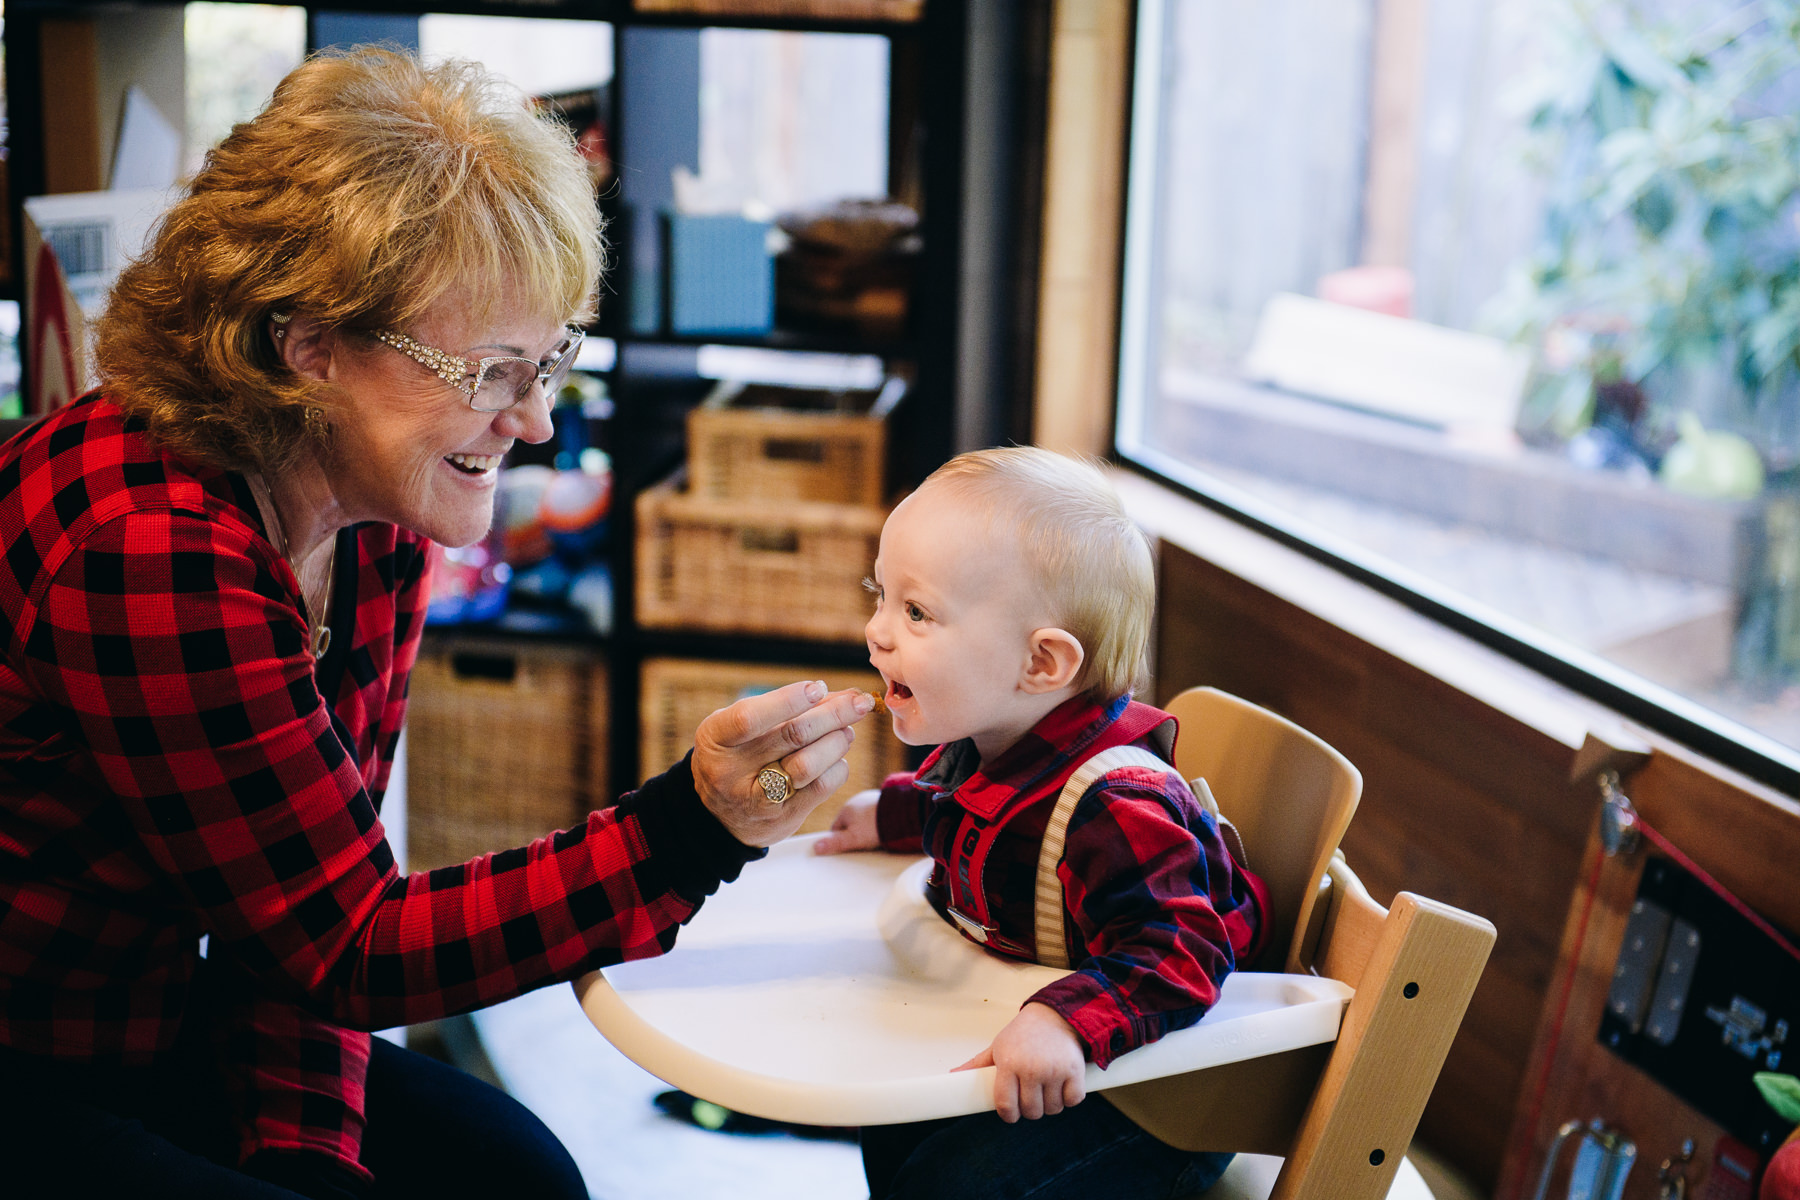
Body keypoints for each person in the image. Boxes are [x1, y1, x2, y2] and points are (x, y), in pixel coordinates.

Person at [0, 48, 872, 1200]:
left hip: (149, 999)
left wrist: (314, 1153)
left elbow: (303, 915)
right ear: (304, 344)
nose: (540, 423)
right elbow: (350, 941)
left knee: (518, 1176)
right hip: (38, 1049)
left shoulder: (377, 505)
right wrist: (689, 828)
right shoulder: (146, 549)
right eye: (493, 370)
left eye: (550, 361)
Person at [815, 446, 1269, 1200]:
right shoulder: (991, 735)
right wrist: (893, 812)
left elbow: (1181, 951)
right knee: (891, 1109)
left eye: (917, 611)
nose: (878, 633)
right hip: (1051, 1034)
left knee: (950, 1187)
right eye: (881, 595)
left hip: (1154, 1091)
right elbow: (974, 823)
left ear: (1042, 664)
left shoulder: (1117, 807)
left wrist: (1063, 1024)